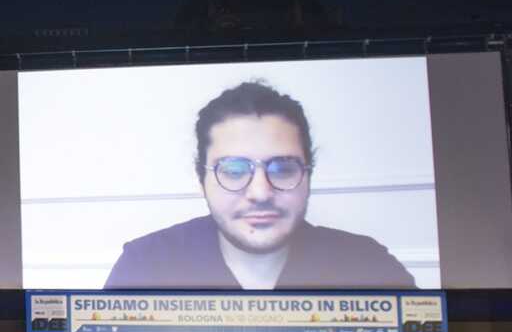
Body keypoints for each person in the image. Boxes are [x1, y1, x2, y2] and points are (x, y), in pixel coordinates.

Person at [105, 81, 416, 290]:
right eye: (234, 170)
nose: (260, 193)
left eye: (282, 169)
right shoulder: (144, 265)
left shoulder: (369, 265)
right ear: (201, 179)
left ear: (308, 175)